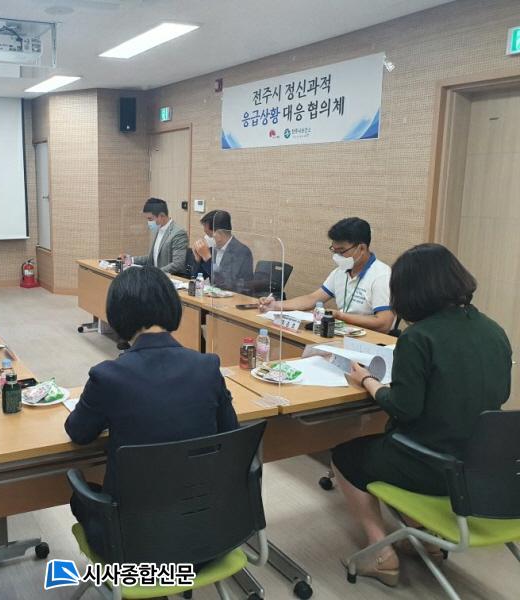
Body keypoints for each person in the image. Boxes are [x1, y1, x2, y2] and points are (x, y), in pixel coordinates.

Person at [332, 243, 512, 586]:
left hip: (435, 465)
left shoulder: (418, 337)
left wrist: (367, 380)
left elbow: (404, 407)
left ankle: (381, 553)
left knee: (345, 456)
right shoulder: (494, 330)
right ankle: (426, 540)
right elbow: (499, 395)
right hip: (481, 467)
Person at [64, 266, 239, 556]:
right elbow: (230, 433)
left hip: (134, 546)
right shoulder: (207, 367)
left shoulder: (108, 376)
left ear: (117, 315)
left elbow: (78, 432)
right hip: (208, 535)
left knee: (81, 496)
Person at [259, 217, 395, 333]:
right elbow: (312, 299)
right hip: (342, 335)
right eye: (334, 251)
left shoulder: (381, 275)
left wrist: (340, 316)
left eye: (341, 251)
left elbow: (384, 323)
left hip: (370, 341)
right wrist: (276, 306)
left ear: (362, 248)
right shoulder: (341, 271)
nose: (337, 256)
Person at [189, 209, 254, 292]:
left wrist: (208, 258)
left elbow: (226, 283)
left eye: (208, 235)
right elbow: (197, 278)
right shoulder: (213, 249)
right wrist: (197, 259)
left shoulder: (241, 252)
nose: (205, 238)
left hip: (235, 296)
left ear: (219, 234)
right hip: (214, 296)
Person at [121, 198, 188, 274]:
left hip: (168, 278)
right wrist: (130, 260)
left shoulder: (178, 233)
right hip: (156, 277)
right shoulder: (159, 229)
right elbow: (153, 257)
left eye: (150, 219)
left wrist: (155, 273)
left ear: (161, 215)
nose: (148, 222)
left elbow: (178, 264)